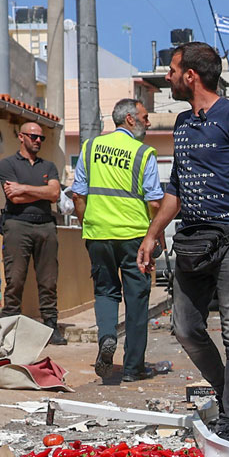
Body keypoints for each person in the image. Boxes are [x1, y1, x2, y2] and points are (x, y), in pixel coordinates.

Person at [136, 42, 229, 443]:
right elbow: (177, 188)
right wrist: (152, 234)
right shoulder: (183, 123)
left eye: (172, 70)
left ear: (191, 75)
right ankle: (227, 391)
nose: (168, 77)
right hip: (194, 241)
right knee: (185, 327)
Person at [71, 98, 163, 380]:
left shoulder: (90, 147)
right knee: (137, 299)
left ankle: (107, 336)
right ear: (130, 119)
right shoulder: (143, 153)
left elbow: (78, 195)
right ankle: (133, 368)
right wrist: (156, 235)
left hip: (98, 234)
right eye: (145, 118)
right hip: (135, 237)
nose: (148, 123)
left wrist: (88, 225)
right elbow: (154, 202)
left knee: (105, 291)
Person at [0, 120, 66, 342]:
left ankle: (50, 325)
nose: (38, 141)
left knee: (48, 280)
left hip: (46, 225)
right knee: (15, 279)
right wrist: (41, 192)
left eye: (41, 138)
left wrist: (24, 188)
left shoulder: (48, 166)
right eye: (33, 136)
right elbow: (14, 198)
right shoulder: (8, 164)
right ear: (21, 137)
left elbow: (55, 194)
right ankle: (9, 328)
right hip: (18, 224)